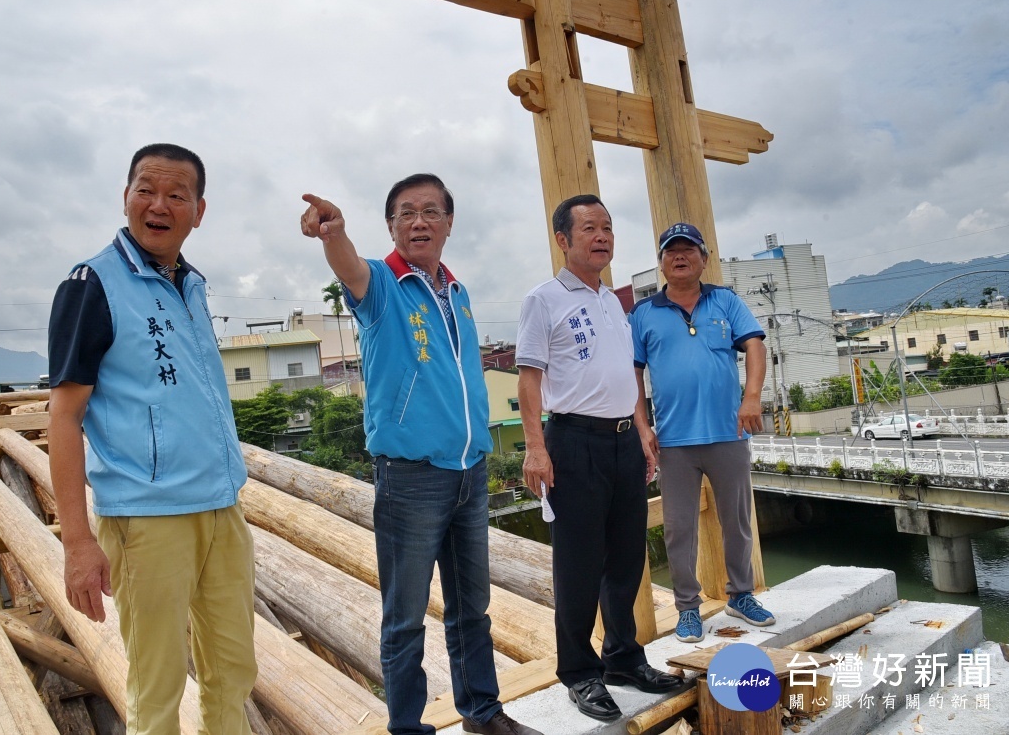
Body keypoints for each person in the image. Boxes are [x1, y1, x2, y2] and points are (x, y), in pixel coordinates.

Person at [300, 175, 542, 735]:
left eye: (431, 211)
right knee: (405, 616)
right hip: (411, 476)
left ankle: (482, 712)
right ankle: (407, 727)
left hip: (469, 471)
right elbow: (350, 270)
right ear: (390, 226)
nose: (419, 222)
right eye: (406, 213)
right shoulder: (383, 284)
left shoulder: (456, 292)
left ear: (449, 223)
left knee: (471, 609)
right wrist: (333, 234)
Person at [48, 143, 256, 734]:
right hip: (147, 521)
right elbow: (63, 418)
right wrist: (77, 542)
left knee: (233, 671)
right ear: (126, 197)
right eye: (146, 189)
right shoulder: (93, 284)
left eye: (176, 194)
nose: (158, 205)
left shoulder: (189, 285)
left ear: (199, 210)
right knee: (157, 687)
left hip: (221, 509)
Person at [516, 195, 682, 723]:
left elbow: (623, 377)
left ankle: (623, 658)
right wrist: (536, 448)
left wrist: (641, 430)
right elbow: (528, 379)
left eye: (607, 227)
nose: (601, 236)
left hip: (621, 442)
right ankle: (580, 672)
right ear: (563, 240)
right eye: (589, 228)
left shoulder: (614, 302)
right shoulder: (543, 300)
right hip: (573, 441)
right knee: (579, 564)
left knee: (628, 556)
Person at [629, 222, 775, 644]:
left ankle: (741, 595)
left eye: (688, 250)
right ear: (661, 263)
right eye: (671, 251)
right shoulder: (643, 314)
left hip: (728, 434)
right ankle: (688, 608)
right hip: (674, 441)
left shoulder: (726, 301)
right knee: (678, 528)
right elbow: (632, 374)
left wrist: (751, 397)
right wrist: (643, 426)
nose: (680, 256)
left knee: (737, 520)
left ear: (704, 258)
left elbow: (755, 346)